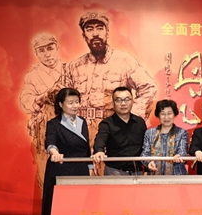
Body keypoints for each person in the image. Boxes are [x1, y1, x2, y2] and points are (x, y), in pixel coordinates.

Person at [65, 11, 157, 142]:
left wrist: (131, 118)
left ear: (107, 32)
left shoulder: (124, 60)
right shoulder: (74, 66)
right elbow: (60, 96)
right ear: (83, 35)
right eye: (89, 29)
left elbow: (149, 87)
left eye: (100, 28)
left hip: (113, 129)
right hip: (80, 129)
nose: (95, 33)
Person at [41, 88, 92, 215]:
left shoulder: (82, 122)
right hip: (61, 169)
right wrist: (54, 153)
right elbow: (50, 142)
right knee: (61, 209)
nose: (75, 106)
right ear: (61, 104)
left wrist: (90, 165)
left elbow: (86, 147)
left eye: (77, 102)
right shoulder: (54, 124)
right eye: (70, 103)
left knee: (80, 209)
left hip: (81, 169)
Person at [19, 33, 66, 188]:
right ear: (36, 54)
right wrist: (43, 97)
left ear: (57, 49)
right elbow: (26, 102)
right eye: (42, 50)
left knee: (71, 175)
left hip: (69, 128)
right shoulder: (32, 76)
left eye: (50, 48)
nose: (47, 54)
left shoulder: (69, 70)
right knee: (47, 178)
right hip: (45, 129)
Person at [92, 87, 147, 175]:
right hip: (114, 172)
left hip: (137, 172)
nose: (123, 103)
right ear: (113, 103)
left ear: (132, 101)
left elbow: (146, 145)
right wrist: (99, 151)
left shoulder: (140, 122)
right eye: (119, 100)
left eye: (127, 99)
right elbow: (100, 139)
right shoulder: (107, 123)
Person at [141, 99, 189, 175]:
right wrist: (149, 162)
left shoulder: (182, 132)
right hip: (154, 176)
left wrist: (179, 156)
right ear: (158, 116)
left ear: (174, 114)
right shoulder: (149, 133)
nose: (166, 117)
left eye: (169, 113)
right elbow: (144, 154)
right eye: (163, 114)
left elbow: (183, 151)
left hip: (177, 176)